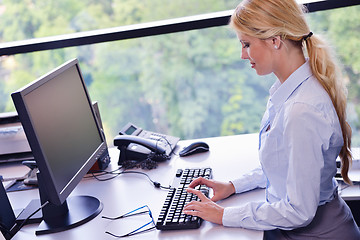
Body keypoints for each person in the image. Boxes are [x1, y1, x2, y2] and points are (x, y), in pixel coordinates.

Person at [182, 0, 360, 239]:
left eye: (246, 44)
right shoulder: (289, 91)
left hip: (316, 234)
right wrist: (233, 186)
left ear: (275, 41)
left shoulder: (300, 110)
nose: (243, 55)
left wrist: (224, 215)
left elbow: (299, 211)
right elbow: (283, 164)